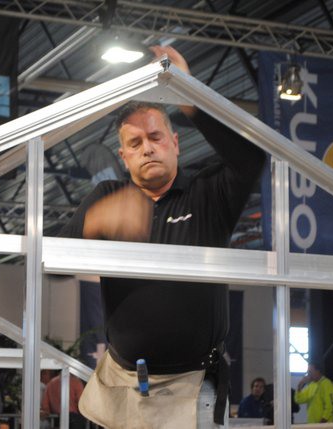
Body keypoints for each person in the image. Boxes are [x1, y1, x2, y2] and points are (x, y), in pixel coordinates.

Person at [58, 45, 265, 428]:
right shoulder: (107, 197)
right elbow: (54, 266)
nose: (147, 148)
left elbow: (251, 159)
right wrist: (95, 221)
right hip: (122, 384)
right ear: (123, 157)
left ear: (176, 143)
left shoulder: (207, 193)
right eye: (135, 144)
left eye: (155, 137)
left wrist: (188, 93)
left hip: (194, 385)